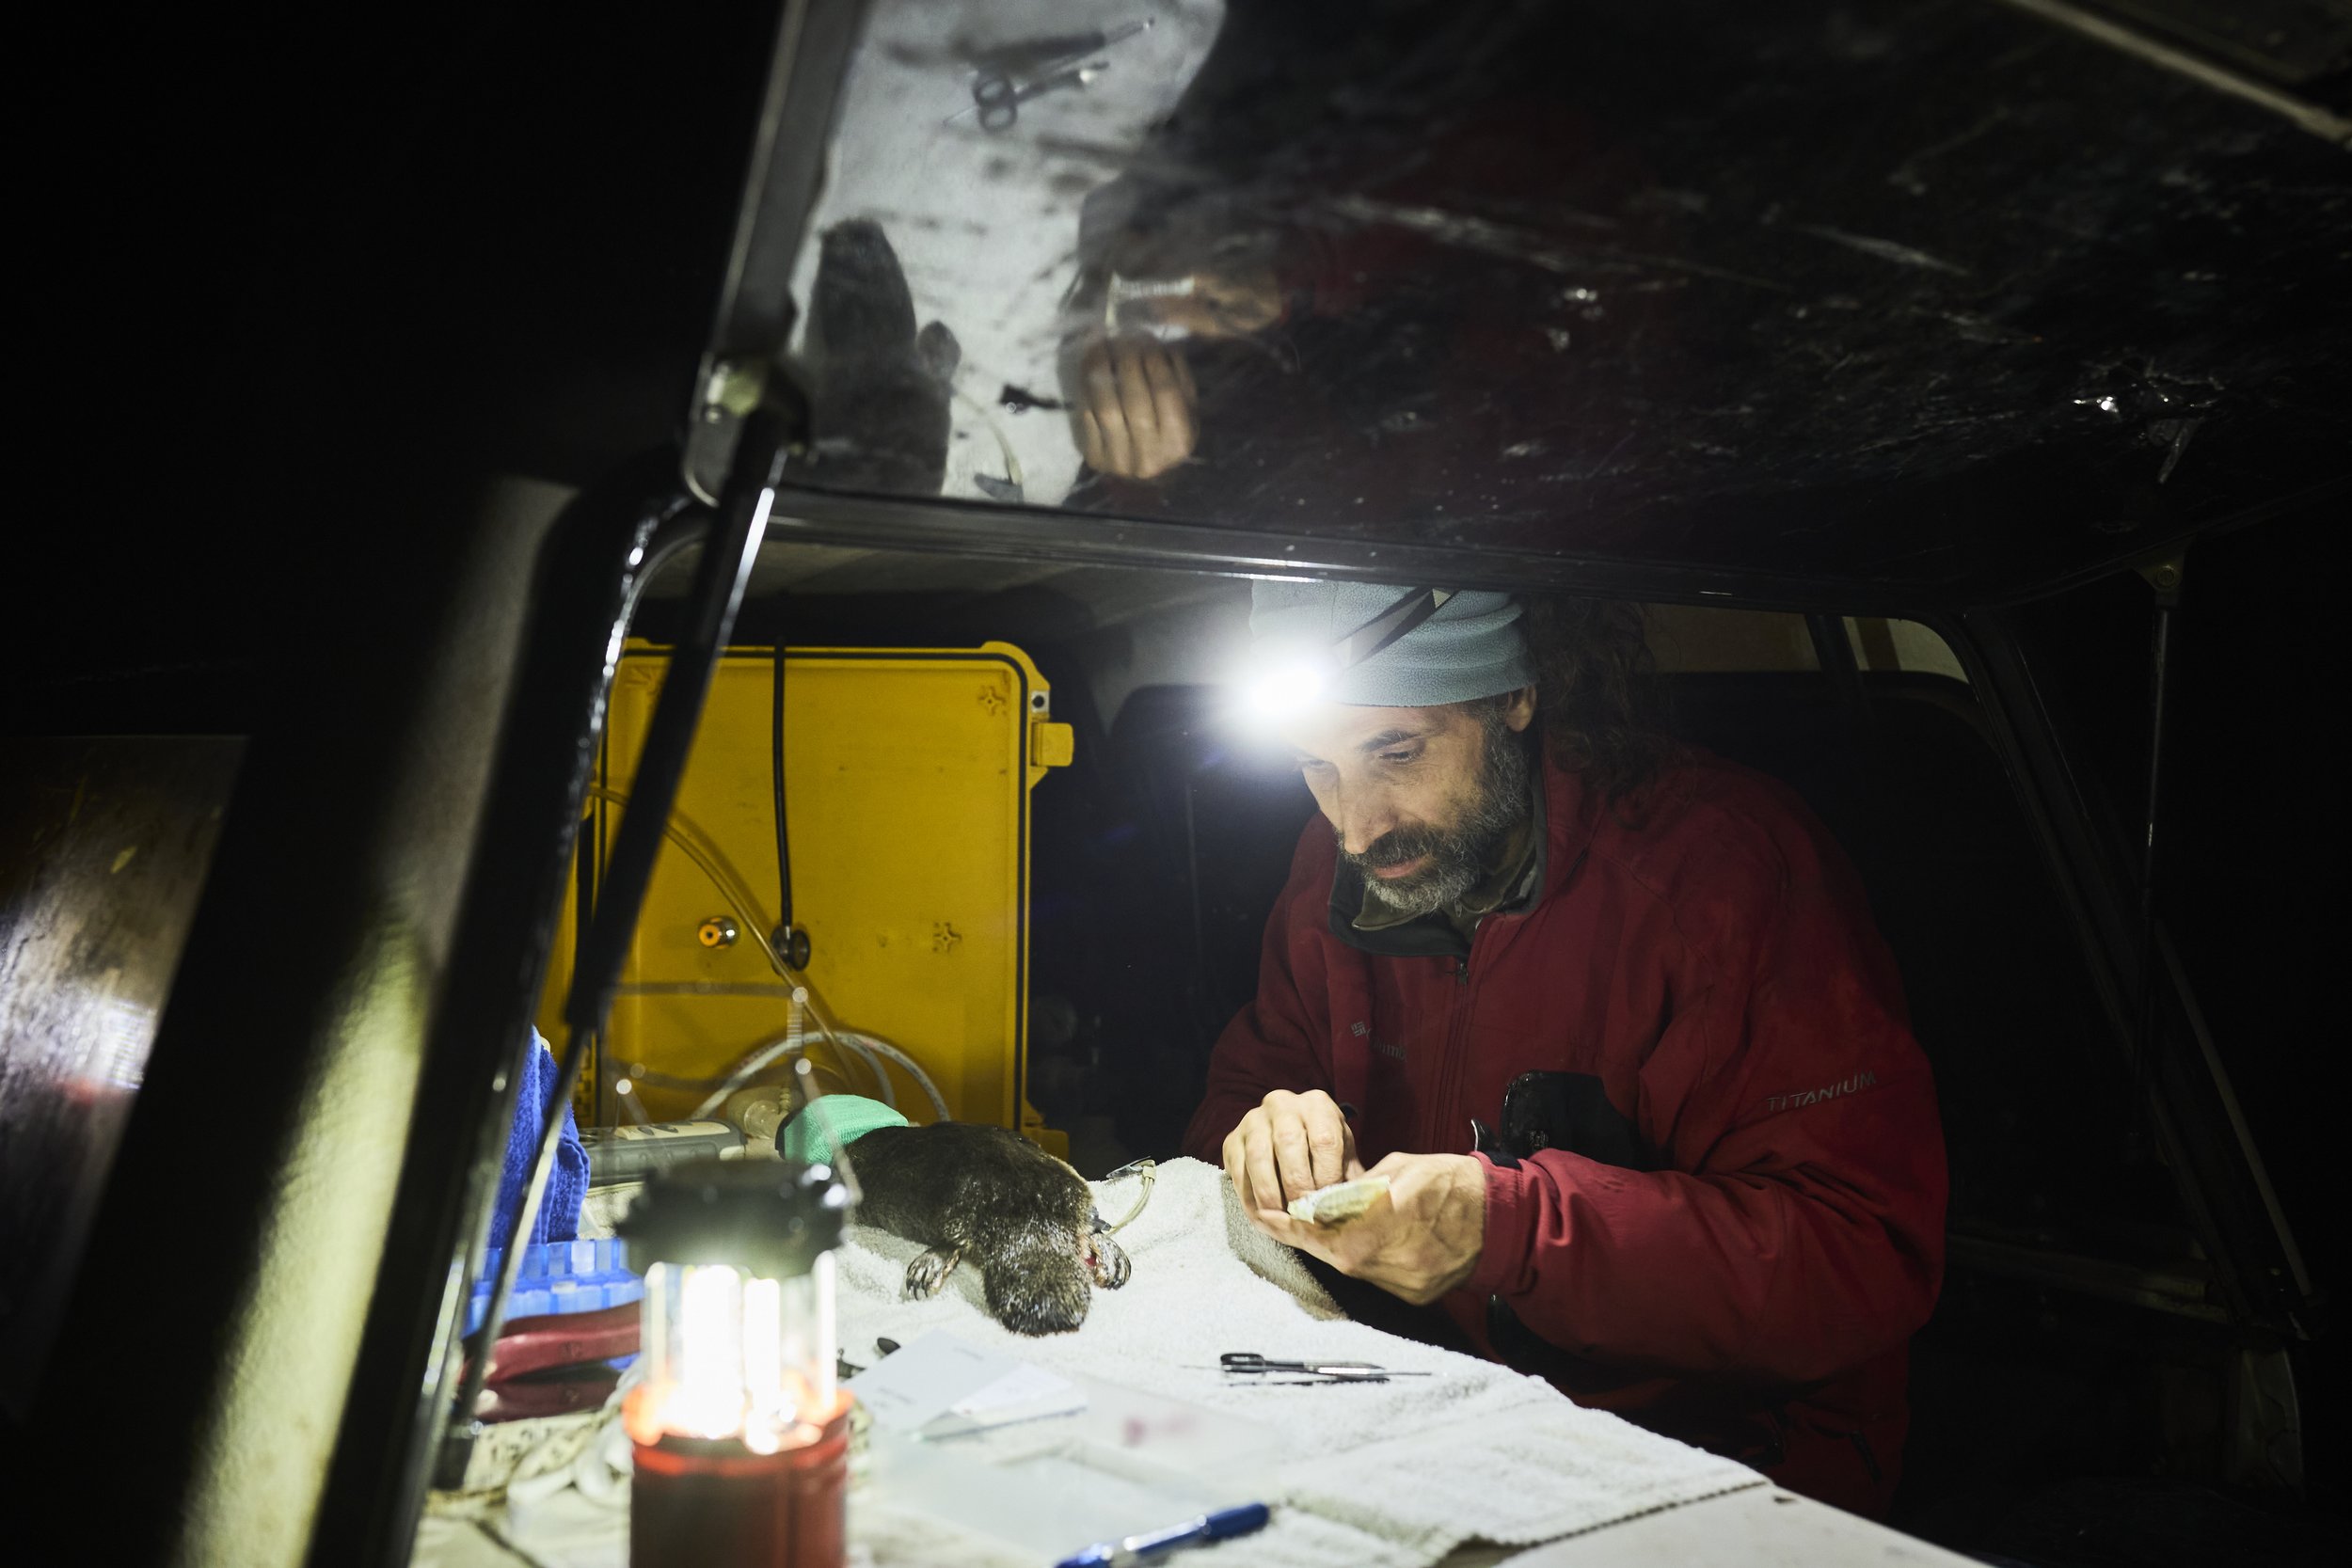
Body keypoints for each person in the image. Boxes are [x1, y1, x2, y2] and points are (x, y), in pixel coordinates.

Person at [1183, 583, 1947, 1515]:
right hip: (1433, 1421)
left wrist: (1510, 1228)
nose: (1357, 821)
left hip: (1719, 1456)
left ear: (1513, 697)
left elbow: (1859, 1259)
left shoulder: (1723, 870)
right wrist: (1260, 1134)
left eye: (1397, 749)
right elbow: (1244, 1089)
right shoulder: (1331, 869)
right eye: (1316, 764)